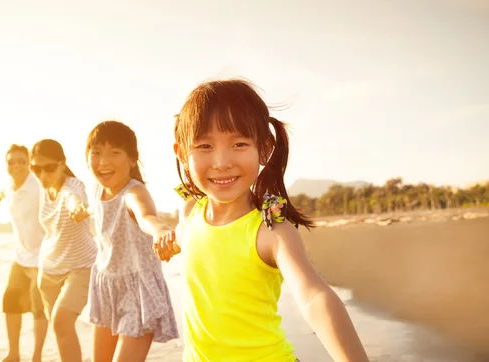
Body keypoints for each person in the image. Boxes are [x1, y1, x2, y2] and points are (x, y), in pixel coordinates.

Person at [154, 79, 369, 362]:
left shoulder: (271, 231)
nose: (221, 161)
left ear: (264, 149)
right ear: (182, 154)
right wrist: (170, 242)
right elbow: (188, 239)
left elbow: (313, 296)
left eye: (239, 144)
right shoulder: (191, 211)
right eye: (204, 145)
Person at [71, 121, 178, 362]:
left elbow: (146, 215)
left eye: (114, 153)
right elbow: (97, 208)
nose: (103, 161)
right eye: (96, 152)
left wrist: (161, 231)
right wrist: (82, 210)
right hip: (106, 286)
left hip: (136, 291)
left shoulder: (134, 192)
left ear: (132, 159)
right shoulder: (98, 190)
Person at [30, 139, 97, 362]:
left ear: (62, 164)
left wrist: (77, 208)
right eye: (36, 168)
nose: (42, 174)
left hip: (80, 267)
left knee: (61, 321)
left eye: (49, 167)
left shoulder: (72, 187)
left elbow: (72, 199)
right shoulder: (43, 187)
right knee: (60, 329)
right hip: (48, 271)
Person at [0, 144, 47, 362]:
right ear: (6, 164)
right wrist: (1, 193)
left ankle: (36, 357)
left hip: (41, 256)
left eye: (21, 161)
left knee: (39, 309)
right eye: (11, 162)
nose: (16, 165)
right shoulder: (9, 186)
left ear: (29, 163)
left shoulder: (38, 186)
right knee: (10, 302)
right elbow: (8, 190)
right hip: (20, 255)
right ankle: (14, 354)